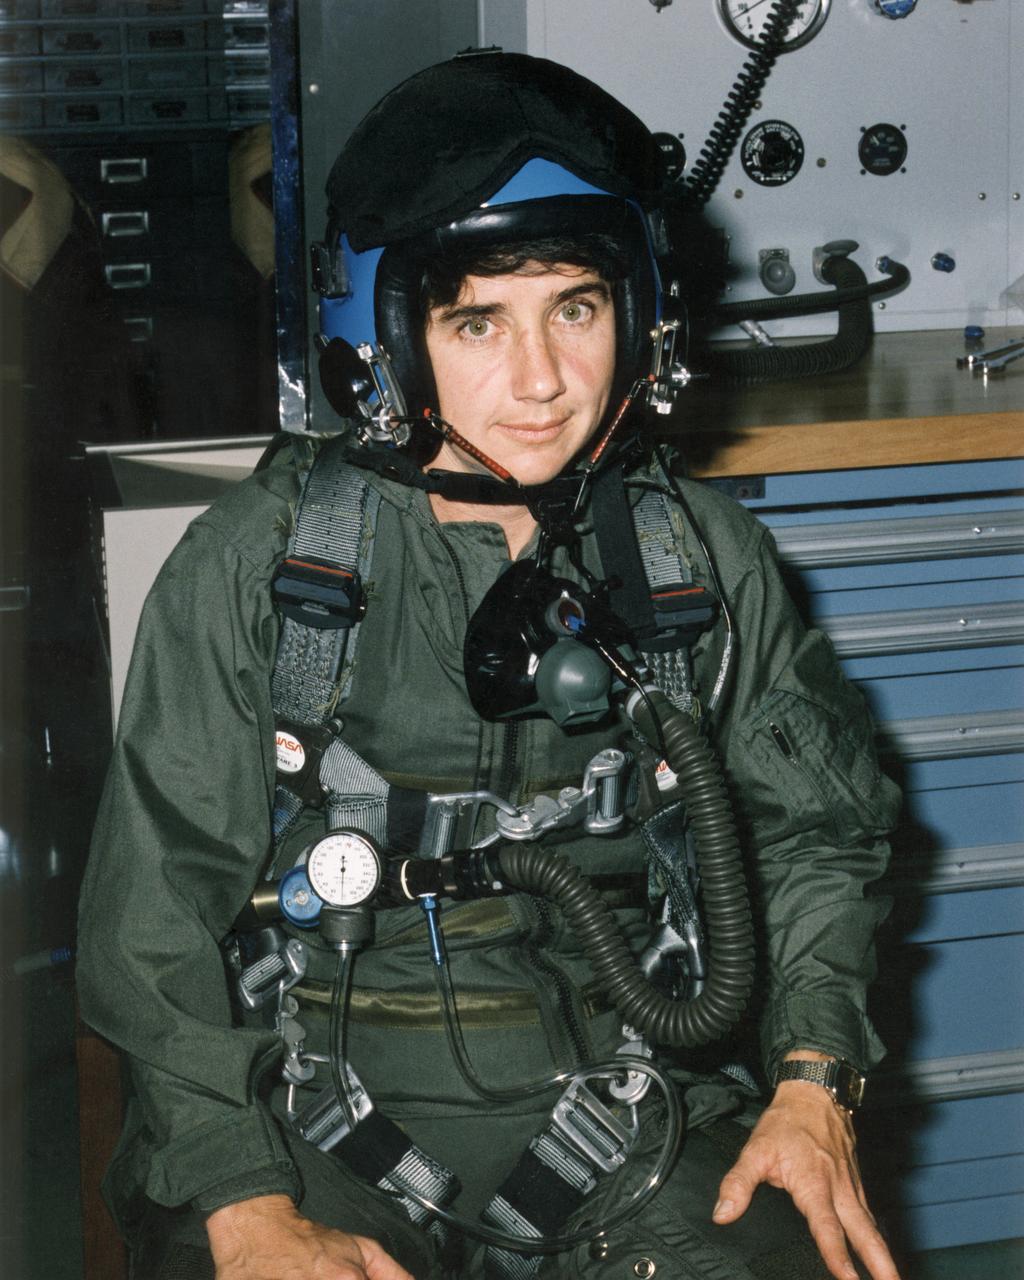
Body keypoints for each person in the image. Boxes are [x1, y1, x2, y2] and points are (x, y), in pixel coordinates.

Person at [78, 50, 904, 1280]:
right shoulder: (262, 570)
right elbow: (150, 920)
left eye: (576, 307)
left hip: (625, 1099)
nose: (542, 381)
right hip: (305, 1110)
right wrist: (238, 1197)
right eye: (477, 321)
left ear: (640, 315)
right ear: (385, 339)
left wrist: (810, 1079)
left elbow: (817, 837)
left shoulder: (696, 562)